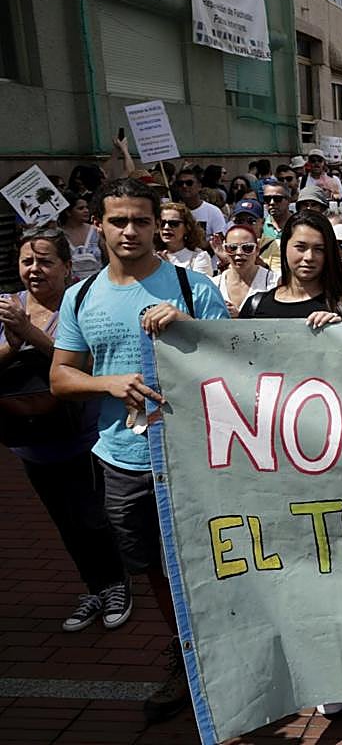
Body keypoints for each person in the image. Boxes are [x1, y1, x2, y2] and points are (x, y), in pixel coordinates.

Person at [50, 178, 229, 723]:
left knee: (210, 560)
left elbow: (237, 362)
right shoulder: (80, 295)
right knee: (153, 566)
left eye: (141, 221)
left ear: (160, 226)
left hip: (195, 459)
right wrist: (106, 384)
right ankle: (185, 651)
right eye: (118, 220)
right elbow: (60, 376)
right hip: (122, 461)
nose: (130, 231)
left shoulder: (193, 288)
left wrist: (188, 328)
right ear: (99, 226)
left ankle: (228, 651)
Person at [0, 229, 128, 633]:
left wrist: (30, 334)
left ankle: (117, 586)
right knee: (65, 521)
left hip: (83, 438)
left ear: (67, 267)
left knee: (94, 517)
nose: (34, 270)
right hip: (30, 442)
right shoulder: (7, 308)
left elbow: (86, 365)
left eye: (45, 262)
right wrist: (12, 341)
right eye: (27, 262)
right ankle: (94, 586)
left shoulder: (81, 304)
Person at [239, 211, 342, 327]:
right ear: (284, 246)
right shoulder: (255, 307)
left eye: (319, 249)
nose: (309, 257)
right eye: (300, 247)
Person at [215, 224, 277, 318]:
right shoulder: (214, 284)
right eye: (232, 248)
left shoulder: (274, 282)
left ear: (257, 250)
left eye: (247, 248)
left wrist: (241, 316)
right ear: (224, 250)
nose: (239, 253)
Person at [158, 202, 214, 276]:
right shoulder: (151, 255)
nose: (166, 227)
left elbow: (199, 286)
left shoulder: (199, 257)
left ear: (187, 227)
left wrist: (168, 268)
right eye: (162, 223)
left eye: (174, 223)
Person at [58, 191, 104, 280]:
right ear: (68, 212)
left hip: (97, 281)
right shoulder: (60, 234)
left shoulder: (96, 230)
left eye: (87, 207)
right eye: (80, 208)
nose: (86, 211)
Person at [172, 166, 227, 238]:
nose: (184, 186)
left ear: (199, 186)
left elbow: (220, 239)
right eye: (180, 183)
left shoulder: (213, 211)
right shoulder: (173, 211)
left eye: (189, 183)